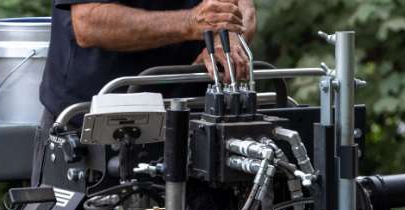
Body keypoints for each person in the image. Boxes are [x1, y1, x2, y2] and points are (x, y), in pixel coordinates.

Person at [40, 0, 258, 127]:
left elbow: (242, 8)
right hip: (94, 117)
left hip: (192, 113)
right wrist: (189, 23)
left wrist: (225, 40)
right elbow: (89, 24)